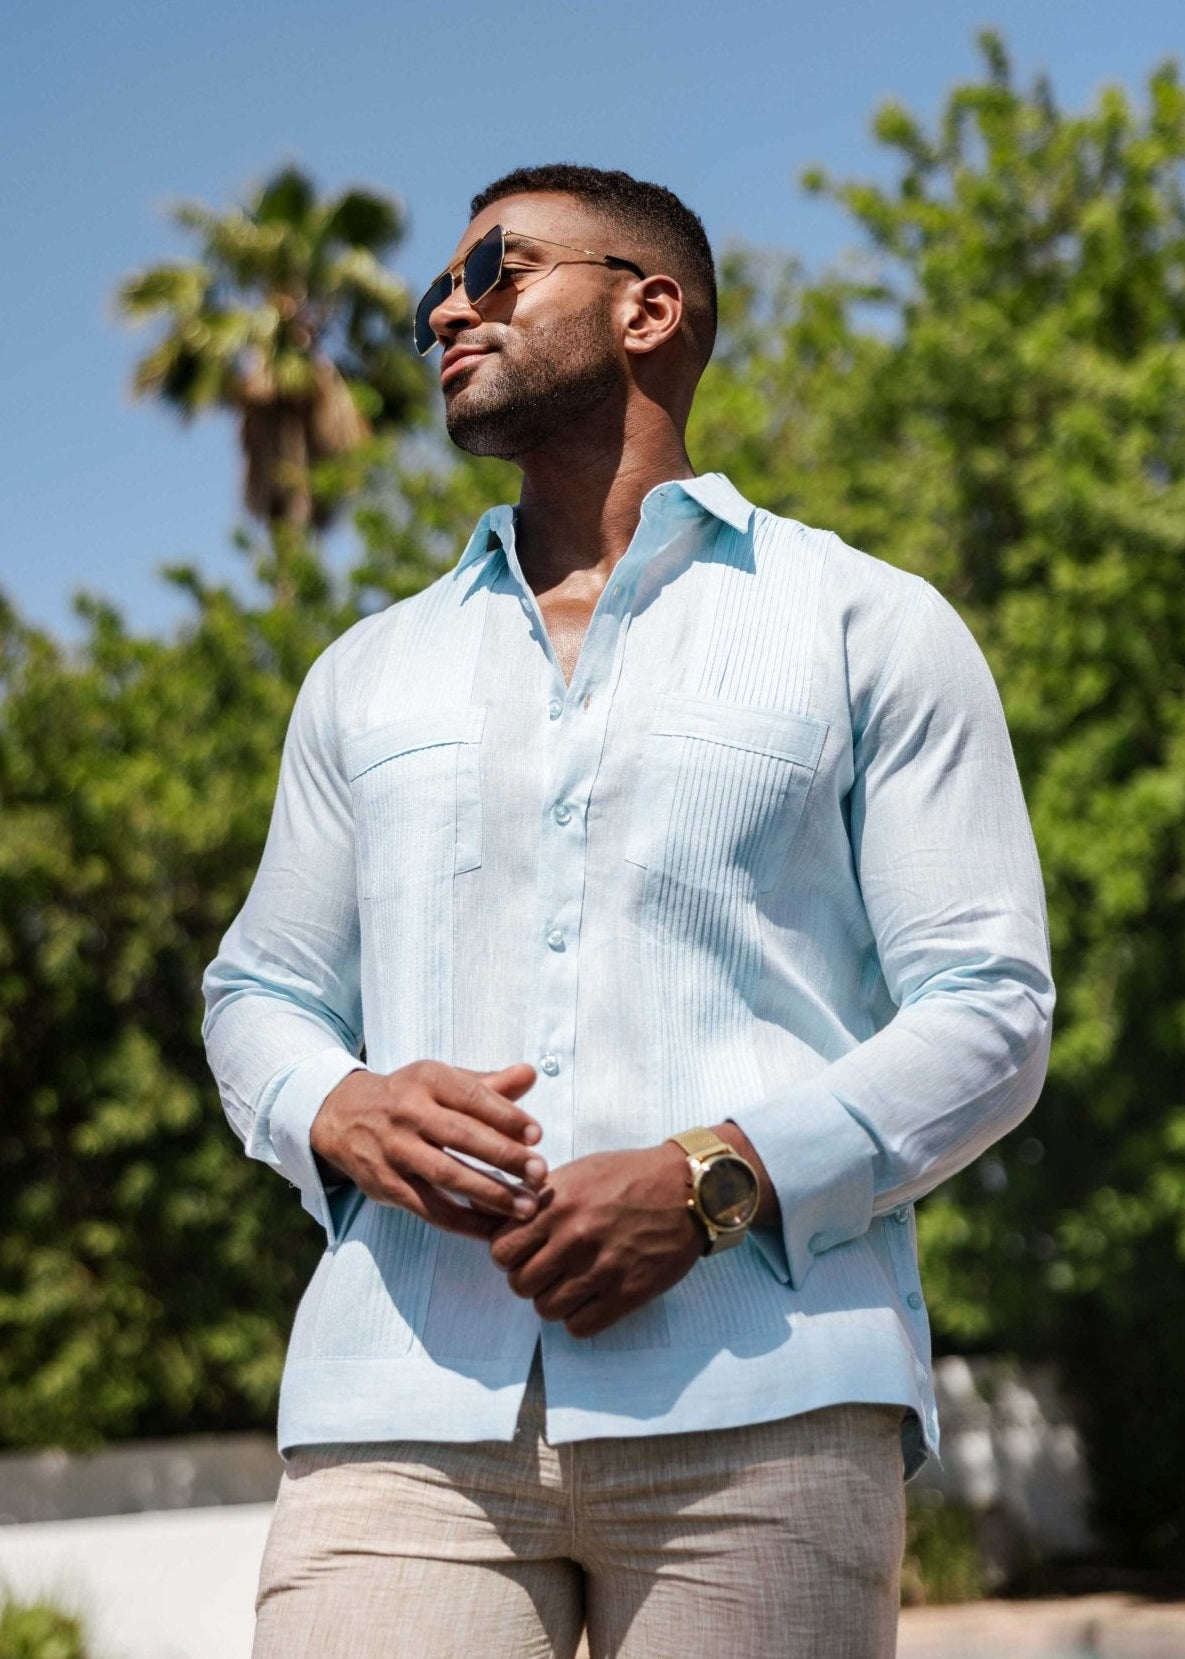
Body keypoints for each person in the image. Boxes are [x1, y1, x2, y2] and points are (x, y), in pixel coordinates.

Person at [202, 164, 1054, 1659]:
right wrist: (333, 1107)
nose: (445, 307)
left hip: (768, 1407)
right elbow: (255, 988)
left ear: (646, 307)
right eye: (431, 292)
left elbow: (988, 1009)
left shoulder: (870, 627)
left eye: (494, 266)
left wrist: (716, 1178)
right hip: (398, 1417)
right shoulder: (363, 673)